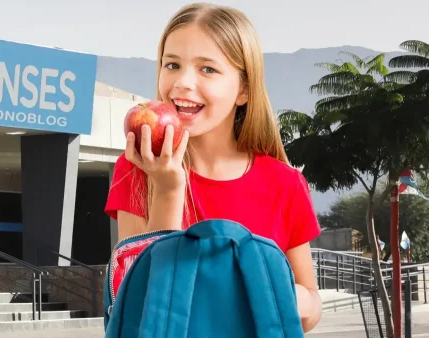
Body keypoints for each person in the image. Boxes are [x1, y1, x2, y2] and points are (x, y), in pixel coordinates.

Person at [105, 2, 322, 333]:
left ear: (244, 90)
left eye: (207, 69)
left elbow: (312, 309)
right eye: (172, 65)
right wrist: (168, 190)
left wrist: (261, 286)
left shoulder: (285, 183)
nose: (183, 83)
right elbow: (140, 300)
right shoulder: (138, 168)